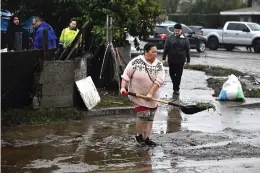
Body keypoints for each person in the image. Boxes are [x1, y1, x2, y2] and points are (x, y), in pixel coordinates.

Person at [120, 43, 165, 146]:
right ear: (146, 52)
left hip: (153, 96)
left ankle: (147, 138)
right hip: (138, 95)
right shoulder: (136, 62)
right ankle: (139, 135)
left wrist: (150, 93)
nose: (155, 54)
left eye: (156, 52)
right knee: (144, 114)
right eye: (153, 52)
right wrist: (123, 87)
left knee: (151, 117)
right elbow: (126, 75)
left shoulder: (159, 64)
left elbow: (159, 81)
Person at [162, 23, 190, 95]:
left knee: (179, 74)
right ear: (174, 30)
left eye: (178, 31)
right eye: (175, 31)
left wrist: (188, 60)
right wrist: (163, 58)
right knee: (171, 73)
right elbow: (166, 48)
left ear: (181, 30)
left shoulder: (185, 38)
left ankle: (176, 89)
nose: (177, 32)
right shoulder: (170, 37)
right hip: (171, 59)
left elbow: (187, 50)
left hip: (181, 60)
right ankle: (175, 84)